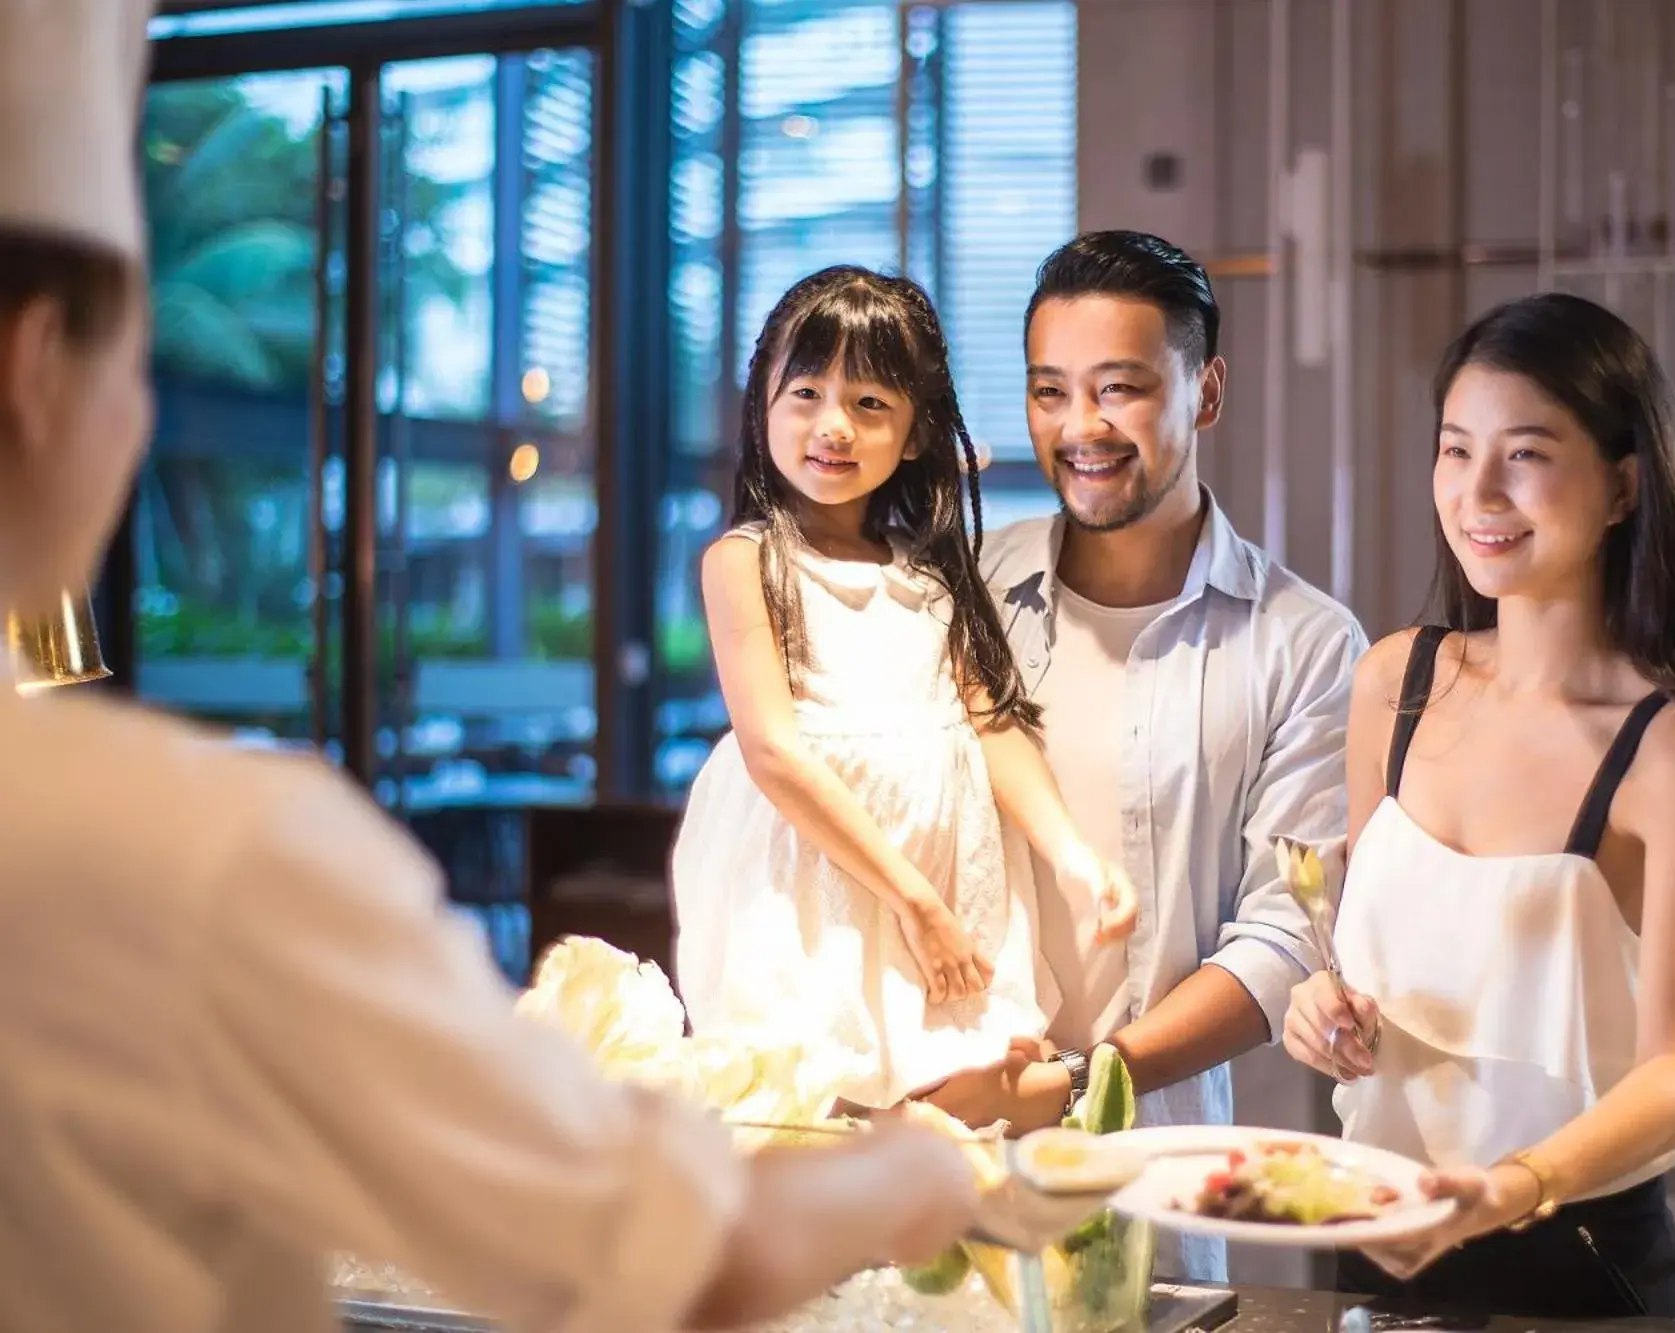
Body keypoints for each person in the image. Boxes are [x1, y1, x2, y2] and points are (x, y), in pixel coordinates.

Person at [0, 7, 980, 1331]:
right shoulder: (207, 850)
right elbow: (664, 1253)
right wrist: (923, 1169)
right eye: (142, 370)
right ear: (35, 374)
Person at [1283, 292, 1675, 1321]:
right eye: (1453, 449)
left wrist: (1503, 1188)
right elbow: (1366, 972)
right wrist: (1321, 1007)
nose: (1478, 491)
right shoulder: (1394, 683)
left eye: (1522, 454)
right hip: (1375, 1246)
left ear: (1619, 487)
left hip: (1575, 1263)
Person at [920, 230, 1367, 1281]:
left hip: (1145, 1176)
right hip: (932, 1149)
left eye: (1118, 388)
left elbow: (1287, 937)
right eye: (1049, 391)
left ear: (1204, 391)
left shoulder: (1302, 642)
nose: (1079, 428)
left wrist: (1078, 1081)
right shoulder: (960, 594)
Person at [672, 264, 1136, 1110]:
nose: (833, 426)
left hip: (946, 894)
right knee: (813, 1104)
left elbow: (991, 721)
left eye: (870, 404)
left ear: (917, 432)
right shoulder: (747, 561)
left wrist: (1072, 854)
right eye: (806, 393)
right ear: (762, 406)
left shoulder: (929, 577)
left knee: (962, 1112)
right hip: (823, 890)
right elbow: (773, 751)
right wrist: (914, 901)